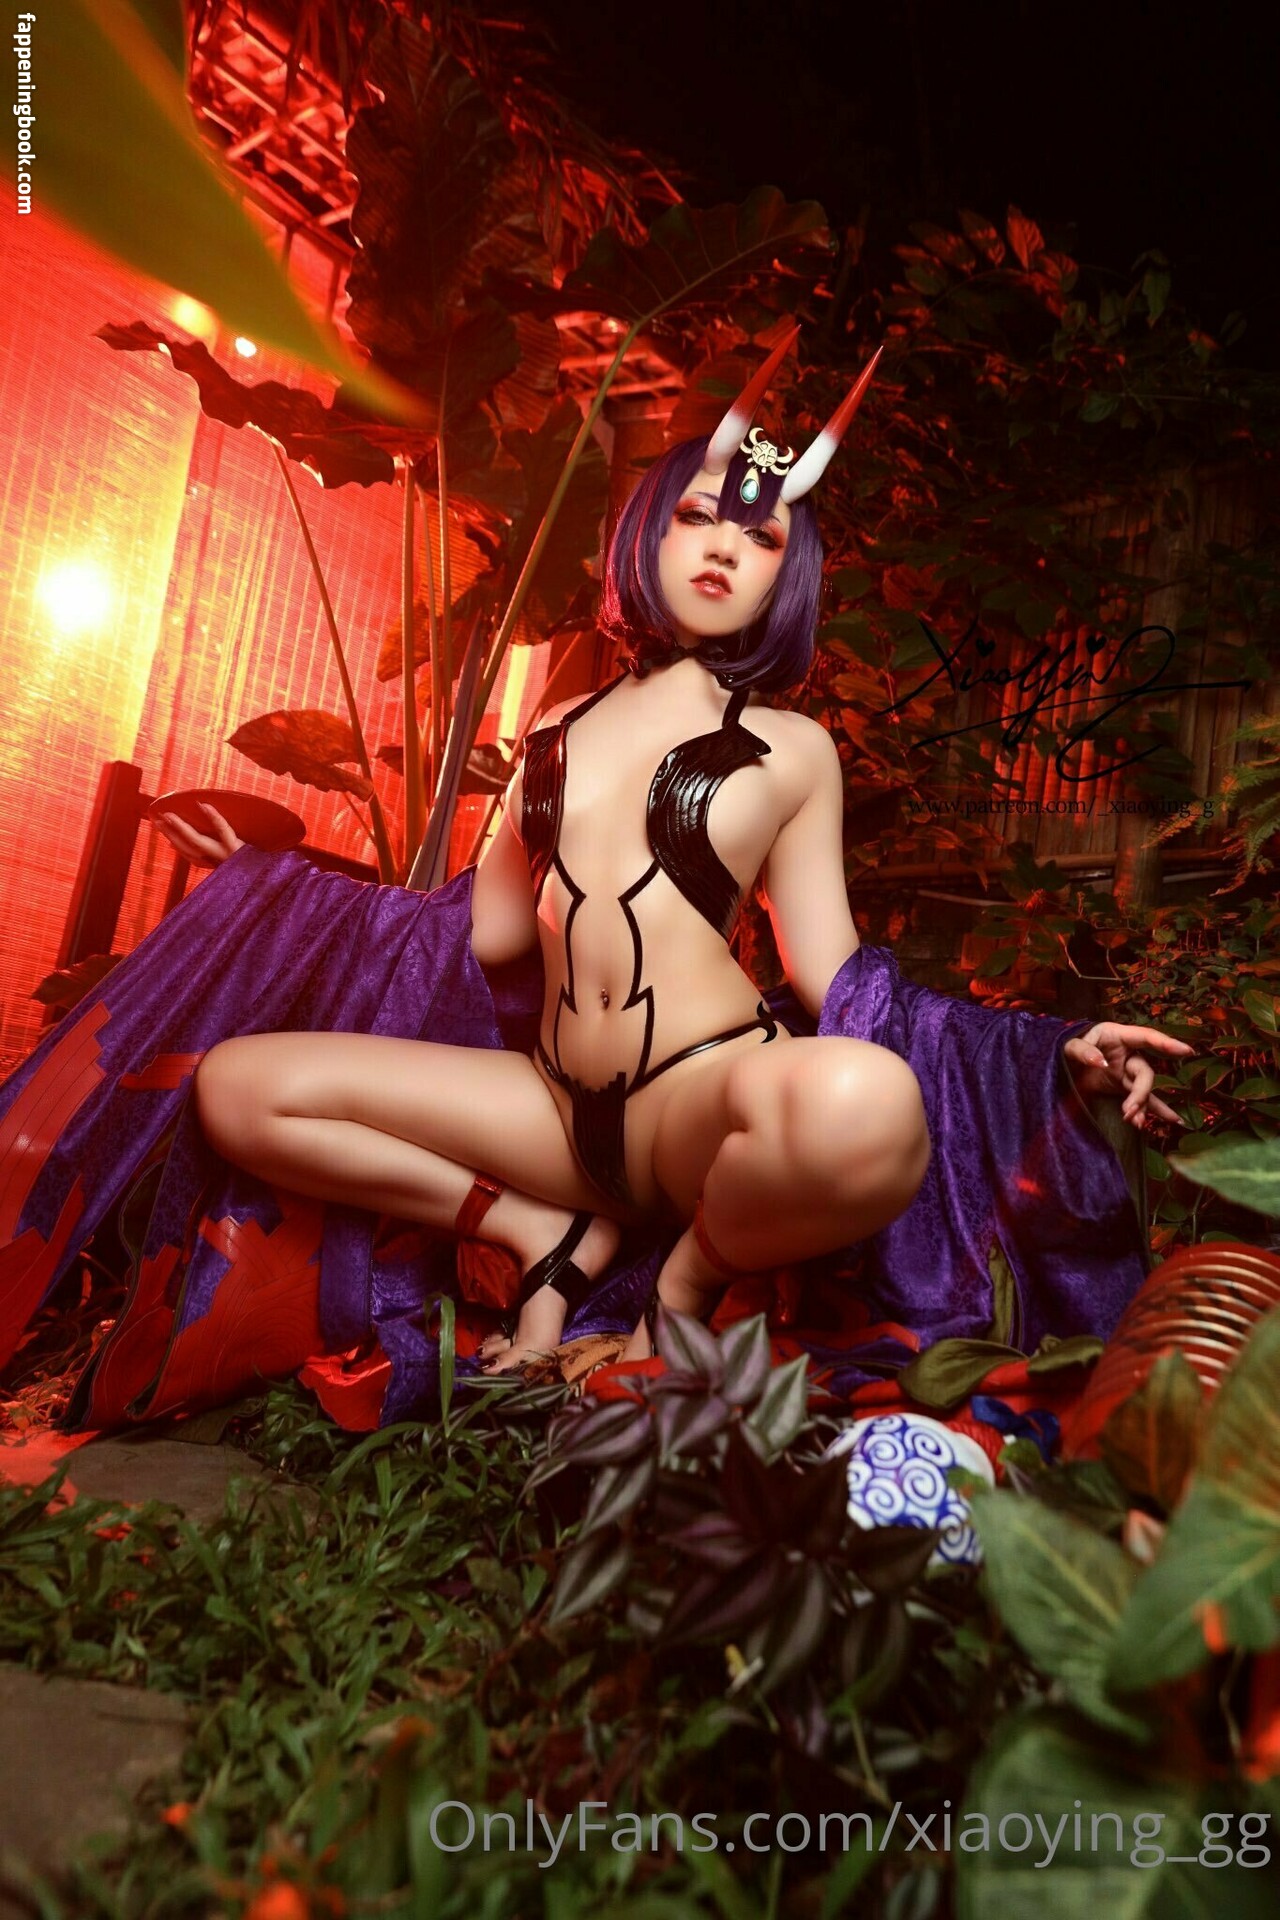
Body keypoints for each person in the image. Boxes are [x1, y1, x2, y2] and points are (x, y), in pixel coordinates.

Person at [154, 333, 1188, 1381]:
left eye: (762, 536)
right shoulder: (550, 730)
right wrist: (274, 889)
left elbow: (833, 977)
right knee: (238, 1089)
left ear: (785, 577)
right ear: (647, 533)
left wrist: (1050, 1048)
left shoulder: (792, 749)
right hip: (553, 1114)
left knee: (867, 1099)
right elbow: (480, 932)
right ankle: (537, 1233)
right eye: (696, 516)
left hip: (700, 1103)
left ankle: (679, 1293)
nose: (723, 548)